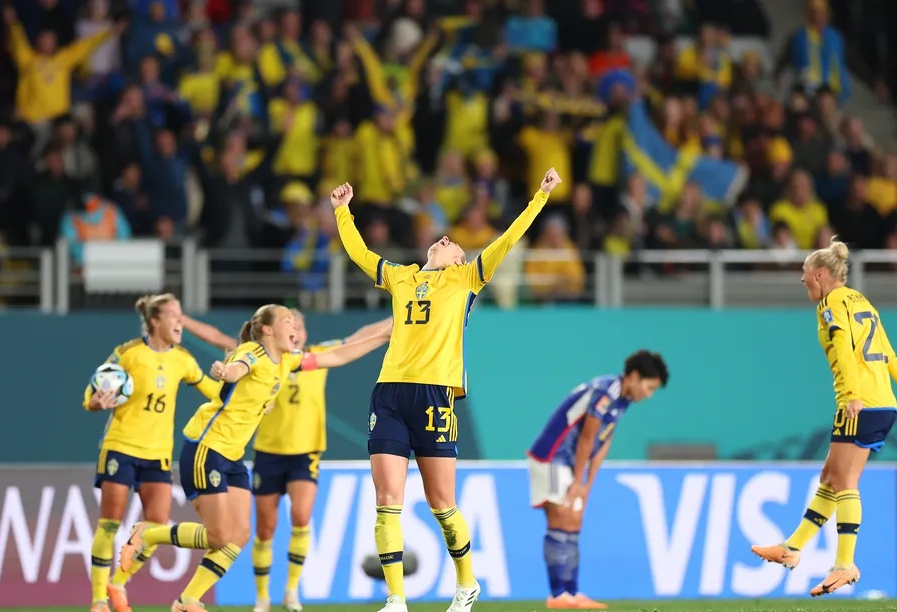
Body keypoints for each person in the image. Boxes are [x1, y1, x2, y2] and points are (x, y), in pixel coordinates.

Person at [328, 168, 563, 612]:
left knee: (441, 502)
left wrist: (540, 196)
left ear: (458, 259)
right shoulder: (399, 277)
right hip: (390, 392)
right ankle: (396, 598)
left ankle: (466, 583)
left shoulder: (467, 278)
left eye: (452, 242)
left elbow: (508, 239)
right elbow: (361, 254)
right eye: (441, 238)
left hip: (436, 394)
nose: (444, 239)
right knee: (387, 500)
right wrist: (343, 212)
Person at [118, 304, 391, 612]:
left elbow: (339, 356)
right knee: (220, 535)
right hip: (208, 447)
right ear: (268, 330)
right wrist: (226, 372)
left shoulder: (288, 360)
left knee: (239, 537)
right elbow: (239, 367)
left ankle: (186, 599)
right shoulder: (252, 352)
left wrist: (383, 337)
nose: (295, 328)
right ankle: (148, 533)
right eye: (288, 321)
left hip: (232, 456)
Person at [751, 237, 897, 597]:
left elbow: (846, 350)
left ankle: (844, 564)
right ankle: (793, 548)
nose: (802, 280)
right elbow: (890, 354)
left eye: (804, 273)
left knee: (844, 481)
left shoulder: (831, 303)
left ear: (819, 274)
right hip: (883, 403)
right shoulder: (862, 301)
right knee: (830, 478)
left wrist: (850, 395)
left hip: (859, 402)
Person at [83, 294, 221, 612]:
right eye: (173, 314)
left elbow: (212, 391)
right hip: (121, 446)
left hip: (158, 453)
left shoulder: (183, 360)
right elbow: (93, 390)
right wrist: (95, 402)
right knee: (109, 523)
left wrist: (244, 394)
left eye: (180, 314)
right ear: (155, 321)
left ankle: (118, 582)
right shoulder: (129, 353)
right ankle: (98, 602)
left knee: (156, 525)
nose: (179, 321)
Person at [527, 350, 669, 610]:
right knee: (560, 518)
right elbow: (586, 438)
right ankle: (558, 595)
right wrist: (579, 482)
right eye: (649, 387)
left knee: (573, 520)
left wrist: (587, 485)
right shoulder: (606, 392)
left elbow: (603, 441)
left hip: (569, 462)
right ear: (634, 377)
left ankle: (571, 592)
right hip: (553, 455)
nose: (648, 395)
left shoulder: (622, 400)